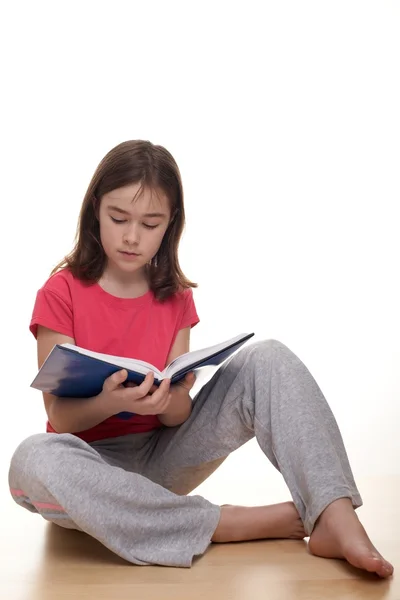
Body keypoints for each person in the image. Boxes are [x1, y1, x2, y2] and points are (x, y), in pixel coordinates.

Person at [8, 140, 393, 577]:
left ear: (170, 224)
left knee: (269, 358)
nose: (132, 236)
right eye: (119, 218)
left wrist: (166, 400)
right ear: (95, 209)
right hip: (88, 478)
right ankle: (222, 523)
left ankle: (333, 512)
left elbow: (178, 415)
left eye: (150, 224)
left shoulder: (174, 298)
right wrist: (113, 401)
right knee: (32, 458)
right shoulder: (61, 293)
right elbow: (60, 416)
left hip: (160, 460)